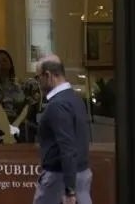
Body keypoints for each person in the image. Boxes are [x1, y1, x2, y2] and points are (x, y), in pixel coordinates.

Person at [33, 55, 92, 204]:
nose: (38, 83)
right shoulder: (75, 99)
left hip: (59, 178)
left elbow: (67, 146)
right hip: (81, 174)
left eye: (38, 77)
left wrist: (69, 190)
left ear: (48, 75)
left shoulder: (57, 105)